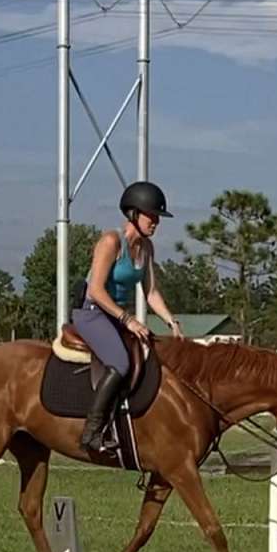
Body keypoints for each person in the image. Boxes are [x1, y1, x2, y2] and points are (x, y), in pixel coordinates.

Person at [72, 180, 183, 453]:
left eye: (158, 217)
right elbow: (96, 290)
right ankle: (91, 432)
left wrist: (171, 321)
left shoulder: (146, 249)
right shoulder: (111, 242)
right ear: (134, 213)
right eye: (152, 216)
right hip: (92, 313)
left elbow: (151, 292)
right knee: (120, 363)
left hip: (116, 317)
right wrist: (128, 319)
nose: (156, 222)